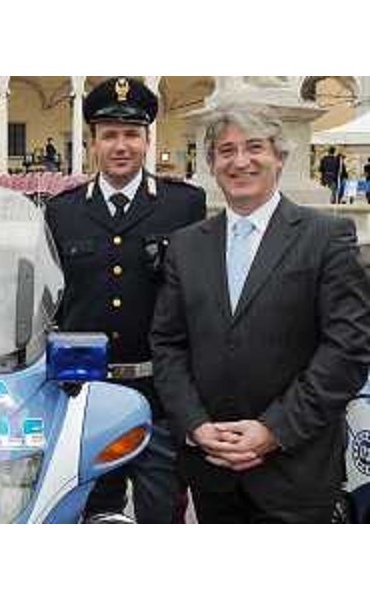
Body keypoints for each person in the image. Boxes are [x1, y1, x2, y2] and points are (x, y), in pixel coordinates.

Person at [150, 102, 370, 523]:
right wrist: (195, 425)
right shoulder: (186, 245)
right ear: (212, 163)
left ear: (279, 157)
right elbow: (168, 345)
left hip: (296, 473)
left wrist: (274, 430)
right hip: (212, 469)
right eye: (226, 151)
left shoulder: (326, 238)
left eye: (254, 147)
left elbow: (346, 351)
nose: (240, 161)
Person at [45, 77, 206, 523]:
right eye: (109, 135)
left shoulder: (183, 206)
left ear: (148, 140)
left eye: (131, 134)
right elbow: (50, 301)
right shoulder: (62, 211)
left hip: (160, 395)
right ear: (92, 143)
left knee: (162, 511)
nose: (121, 146)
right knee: (95, 514)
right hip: (88, 395)